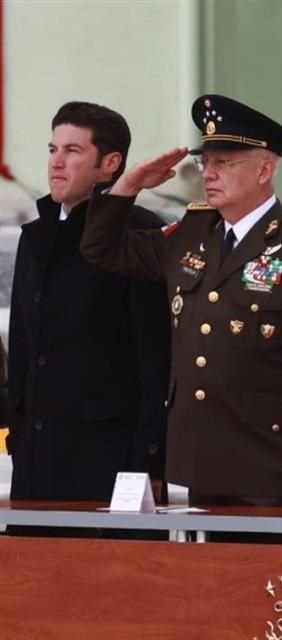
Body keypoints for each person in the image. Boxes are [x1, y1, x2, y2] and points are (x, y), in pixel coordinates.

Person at [79, 95, 282, 525]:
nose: (208, 173)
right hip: (202, 464)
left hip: (275, 468)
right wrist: (128, 185)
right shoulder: (191, 234)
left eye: (224, 163)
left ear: (265, 170)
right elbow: (101, 249)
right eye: (205, 162)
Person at [5, 101, 170, 506]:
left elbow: (156, 357)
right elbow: (26, 346)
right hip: (36, 458)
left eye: (73, 151)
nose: (56, 163)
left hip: (109, 460)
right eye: (52, 150)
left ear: (110, 163)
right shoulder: (36, 236)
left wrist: (151, 460)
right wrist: (19, 431)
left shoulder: (141, 234)